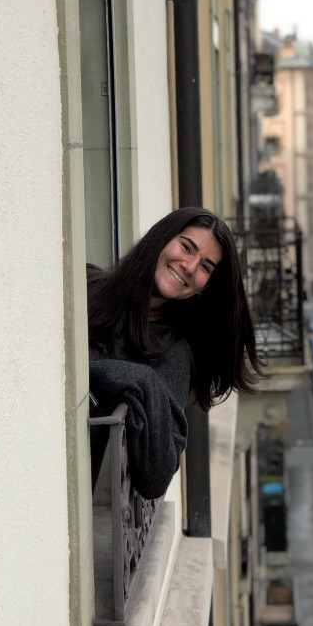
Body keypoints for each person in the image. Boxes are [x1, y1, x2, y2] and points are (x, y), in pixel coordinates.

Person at [87, 207, 261, 498]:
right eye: (187, 247)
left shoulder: (173, 352)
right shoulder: (86, 286)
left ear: (204, 288)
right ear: (161, 239)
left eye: (206, 266)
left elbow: (156, 477)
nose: (190, 266)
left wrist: (142, 381)